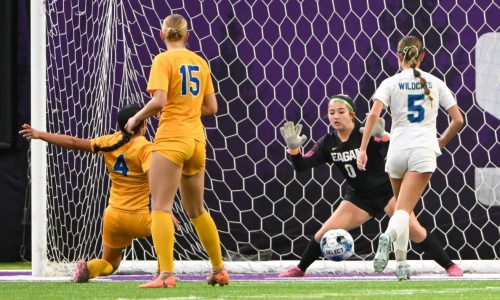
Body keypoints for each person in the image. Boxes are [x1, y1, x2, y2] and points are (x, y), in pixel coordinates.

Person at [278, 94, 463, 279]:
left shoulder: (366, 132)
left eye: (341, 112)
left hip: (388, 193)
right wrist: (294, 150)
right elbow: (301, 165)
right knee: (323, 234)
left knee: (414, 230)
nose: (336, 116)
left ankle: (450, 266)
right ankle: (300, 269)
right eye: (331, 112)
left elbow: (392, 153)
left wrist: (383, 137)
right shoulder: (328, 142)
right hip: (359, 198)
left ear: (351, 114)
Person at [123, 14, 229, 288]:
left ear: (162, 35)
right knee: (197, 210)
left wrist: (136, 118)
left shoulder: (162, 60)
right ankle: (219, 270)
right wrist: (188, 108)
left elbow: (158, 101)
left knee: (159, 207)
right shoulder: (199, 62)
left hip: (172, 138)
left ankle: (166, 274)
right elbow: (212, 108)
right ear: (187, 35)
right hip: (196, 141)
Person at [19, 104, 180, 283]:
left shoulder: (109, 141)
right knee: (165, 227)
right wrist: (165, 211)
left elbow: (73, 143)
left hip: (113, 217)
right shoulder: (146, 148)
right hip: (139, 217)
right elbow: (154, 182)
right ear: (142, 125)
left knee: (109, 264)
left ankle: (88, 268)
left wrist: (40, 134)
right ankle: (162, 273)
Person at [357, 35, 464, 280]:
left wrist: (363, 149)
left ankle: (402, 266)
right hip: (422, 150)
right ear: (422, 55)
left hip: (396, 150)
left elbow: (373, 115)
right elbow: (458, 120)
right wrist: (441, 143)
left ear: (398, 56)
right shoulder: (435, 82)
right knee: (403, 211)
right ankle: (388, 236)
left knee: (403, 210)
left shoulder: (389, 82)